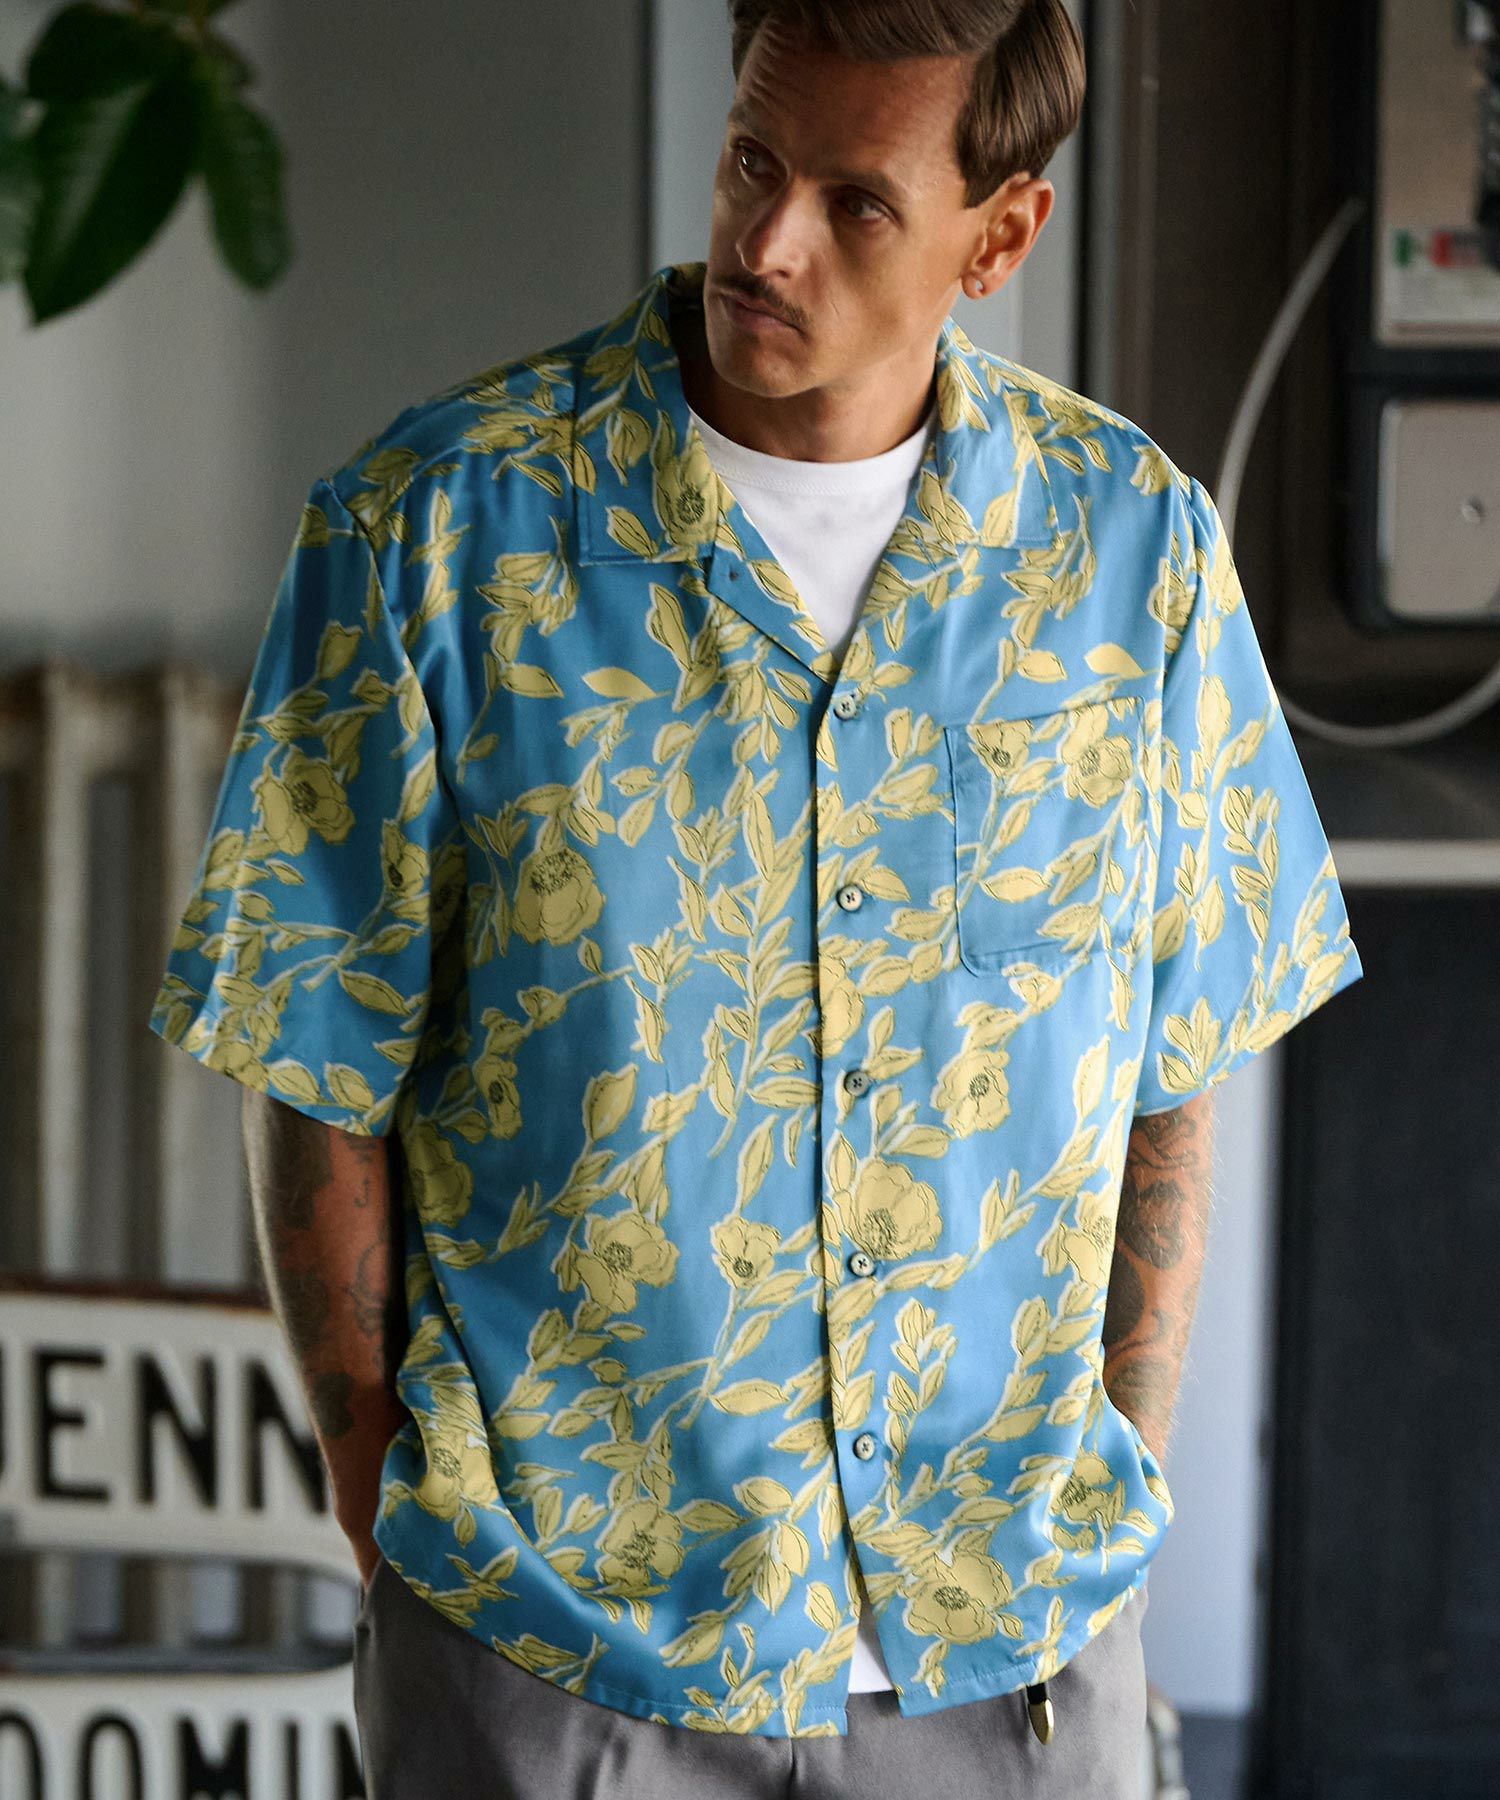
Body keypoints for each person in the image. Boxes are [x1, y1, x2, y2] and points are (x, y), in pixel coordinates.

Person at [147, 2, 1364, 1795]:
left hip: (1010, 1659)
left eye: (856, 202)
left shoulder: (1136, 557)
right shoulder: (432, 532)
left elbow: (1181, 1051)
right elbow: (310, 1049)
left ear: (1000, 236)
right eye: (749, 162)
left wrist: (1119, 1453)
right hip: (557, 1655)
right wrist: (386, 1505)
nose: (766, 241)